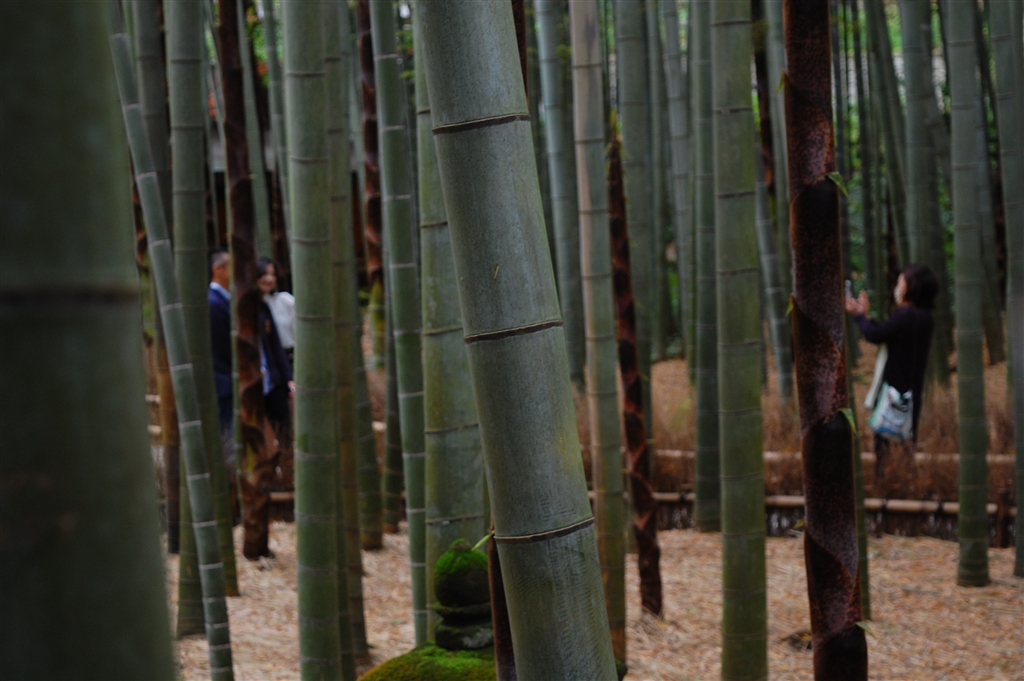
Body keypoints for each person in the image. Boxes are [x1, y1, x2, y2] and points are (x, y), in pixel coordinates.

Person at [845, 263, 937, 497]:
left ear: (911, 288)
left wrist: (859, 316)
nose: (896, 288)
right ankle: (906, 487)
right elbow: (889, 333)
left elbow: (876, 335)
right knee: (907, 441)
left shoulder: (906, 315)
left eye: (900, 283)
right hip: (913, 391)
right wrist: (865, 316)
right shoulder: (926, 318)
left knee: (883, 444)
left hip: (894, 390)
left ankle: (885, 488)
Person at [257, 256, 295, 368]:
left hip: (290, 358)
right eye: (264, 274)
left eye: (273, 274)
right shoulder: (248, 306)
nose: (269, 279)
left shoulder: (285, 300)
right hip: (265, 363)